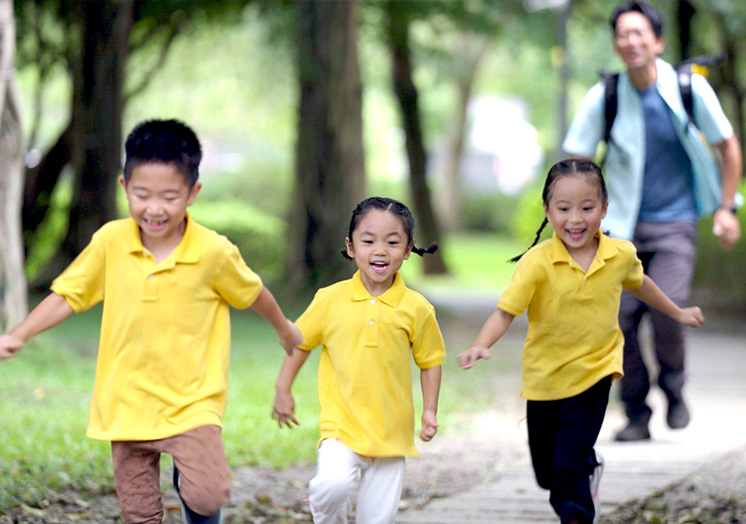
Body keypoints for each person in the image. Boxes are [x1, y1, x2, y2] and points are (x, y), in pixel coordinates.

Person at [0, 119, 303, 524]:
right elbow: (68, 296)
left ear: (192, 194)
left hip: (192, 402)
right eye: (142, 195)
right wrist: (20, 333)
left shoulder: (213, 252)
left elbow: (255, 294)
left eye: (169, 196)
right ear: (124, 187)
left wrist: (284, 329)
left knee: (207, 494)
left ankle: (188, 476)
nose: (154, 208)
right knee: (138, 513)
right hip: (127, 401)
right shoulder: (111, 241)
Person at [457, 159, 704, 524]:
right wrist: (482, 343)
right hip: (544, 378)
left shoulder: (620, 255)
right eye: (564, 208)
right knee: (547, 472)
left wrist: (677, 312)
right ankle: (589, 466)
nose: (575, 218)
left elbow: (642, 284)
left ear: (604, 209)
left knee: (567, 471)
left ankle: (577, 514)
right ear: (547, 210)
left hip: (595, 371)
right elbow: (506, 312)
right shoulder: (536, 263)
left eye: (587, 208)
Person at [563, 0, 742, 442]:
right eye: (623, 34)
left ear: (657, 41)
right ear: (617, 44)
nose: (631, 41)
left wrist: (725, 207)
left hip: (675, 224)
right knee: (618, 322)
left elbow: (729, 146)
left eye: (639, 33)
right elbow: (575, 161)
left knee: (669, 313)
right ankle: (636, 413)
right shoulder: (604, 96)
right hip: (619, 229)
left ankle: (675, 389)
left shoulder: (688, 89)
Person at [271, 196, 445, 524]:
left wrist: (430, 410)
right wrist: (283, 388)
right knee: (330, 486)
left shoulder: (417, 308)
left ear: (408, 250)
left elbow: (430, 361)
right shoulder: (330, 299)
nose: (380, 251)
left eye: (393, 242)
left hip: (392, 433)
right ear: (351, 247)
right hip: (342, 427)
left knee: (377, 520)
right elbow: (300, 343)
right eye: (368, 241)